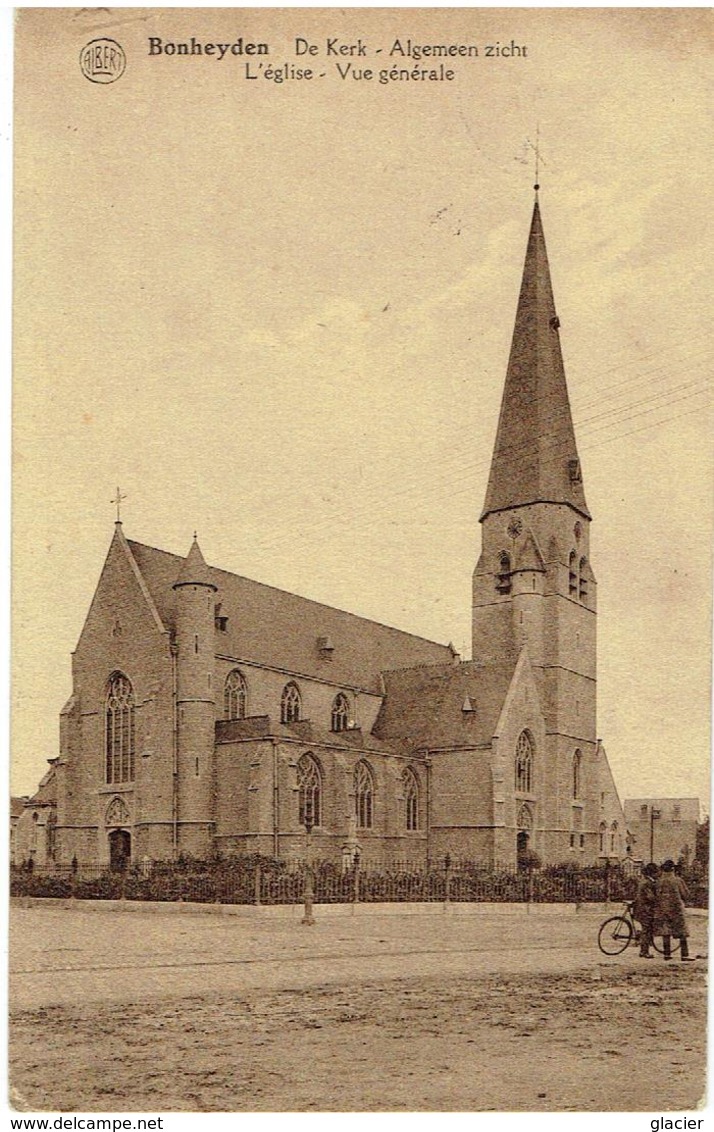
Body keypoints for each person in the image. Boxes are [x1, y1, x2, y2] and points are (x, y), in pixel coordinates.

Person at [654, 859, 694, 961]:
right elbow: (686, 894)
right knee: (682, 932)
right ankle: (684, 955)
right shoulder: (678, 880)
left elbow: (655, 895)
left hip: (662, 909)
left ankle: (667, 954)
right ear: (673, 869)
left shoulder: (658, 881)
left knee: (666, 931)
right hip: (676, 909)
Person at [632, 862, 658, 958]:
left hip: (639, 908)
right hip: (645, 909)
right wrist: (657, 900)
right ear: (652, 873)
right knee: (647, 929)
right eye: (656, 872)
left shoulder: (643, 881)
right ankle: (644, 951)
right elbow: (650, 897)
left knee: (646, 929)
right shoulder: (648, 883)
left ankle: (641, 938)